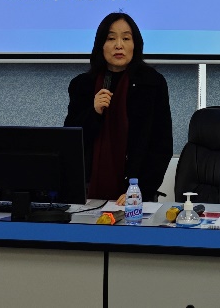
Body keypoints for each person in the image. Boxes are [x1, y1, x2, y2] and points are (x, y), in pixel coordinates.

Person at [65, 12, 173, 201]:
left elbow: (161, 145)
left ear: (135, 44)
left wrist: (140, 190)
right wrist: (93, 112)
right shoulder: (83, 85)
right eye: (111, 38)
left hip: (135, 192)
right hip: (87, 192)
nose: (119, 45)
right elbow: (71, 143)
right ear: (101, 44)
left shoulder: (152, 83)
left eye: (126, 38)